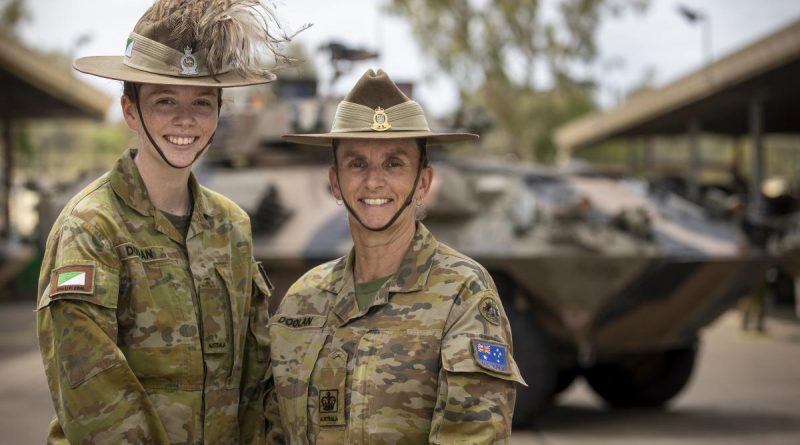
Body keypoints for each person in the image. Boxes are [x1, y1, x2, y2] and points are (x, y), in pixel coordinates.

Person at [35, 1, 294, 443]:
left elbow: (254, 377)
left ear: (218, 112)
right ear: (131, 111)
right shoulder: (92, 227)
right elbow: (93, 395)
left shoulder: (231, 227)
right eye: (165, 101)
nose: (185, 120)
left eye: (202, 103)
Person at [267, 69, 526, 444]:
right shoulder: (301, 300)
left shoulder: (463, 294)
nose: (374, 181)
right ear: (335, 182)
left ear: (423, 181)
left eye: (394, 163)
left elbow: (474, 435)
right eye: (357, 163)